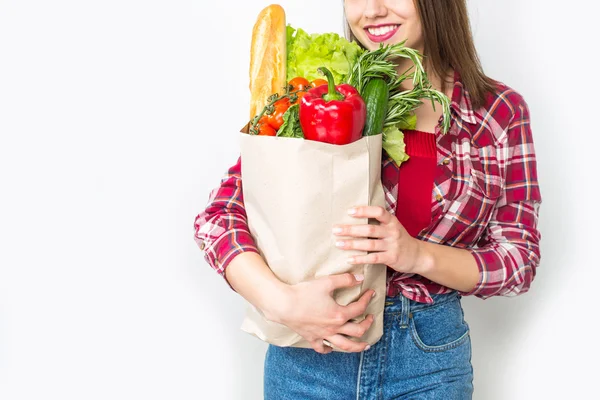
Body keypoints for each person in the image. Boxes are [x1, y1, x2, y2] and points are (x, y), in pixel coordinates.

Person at [194, 0, 542, 398]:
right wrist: (282, 303)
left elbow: (518, 260)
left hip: (430, 361)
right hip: (311, 356)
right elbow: (218, 217)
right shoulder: (314, 99)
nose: (373, 9)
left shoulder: (498, 113)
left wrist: (414, 255)